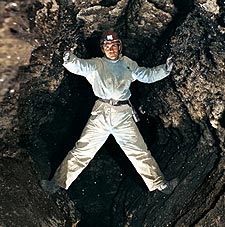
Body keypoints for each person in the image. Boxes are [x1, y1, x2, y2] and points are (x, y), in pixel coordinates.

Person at [41, 30, 178, 195]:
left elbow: (146, 75)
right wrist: (68, 58)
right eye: (107, 46)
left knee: (139, 152)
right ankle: (56, 184)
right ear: (102, 49)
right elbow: (80, 66)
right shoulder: (97, 64)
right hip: (101, 113)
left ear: (120, 46)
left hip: (123, 115)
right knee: (82, 151)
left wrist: (165, 69)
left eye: (114, 46)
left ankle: (161, 186)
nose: (111, 49)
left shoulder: (128, 63)